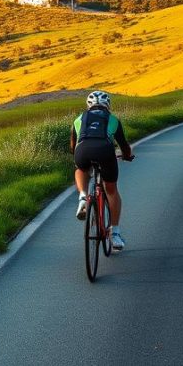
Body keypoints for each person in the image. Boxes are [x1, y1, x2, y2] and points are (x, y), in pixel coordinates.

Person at [70, 90, 134, 251]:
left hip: (82, 150)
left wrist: (79, 157)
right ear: (108, 105)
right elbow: (124, 145)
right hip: (105, 151)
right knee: (111, 190)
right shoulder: (113, 120)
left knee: (80, 169)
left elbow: (73, 145)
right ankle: (115, 234)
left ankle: (83, 196)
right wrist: (127, 156)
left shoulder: (79, 119)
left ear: (88, 105)